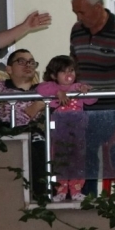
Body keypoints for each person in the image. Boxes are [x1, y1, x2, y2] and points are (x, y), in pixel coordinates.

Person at [69, 0, 115, 196]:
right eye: (76, 12)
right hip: (86, 108)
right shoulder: (76, 31)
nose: (78, 18)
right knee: (86, 158)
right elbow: (74, 65)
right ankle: (86, 200)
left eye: (82, 12)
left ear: (98, 8)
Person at [0, 49, 47, 200]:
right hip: (6, 135)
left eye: (31, 62)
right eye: (21, 61)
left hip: (35, 134)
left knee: (39, 144)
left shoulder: (43, 90)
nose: (28, 65)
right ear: (9, 69)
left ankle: (42, 195)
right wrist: (32, 110)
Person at [37, 55, 96, 202]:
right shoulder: (51, 88)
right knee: (59, 162)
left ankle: (76, 190)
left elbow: (92, 100)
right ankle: (61, 190)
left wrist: (85, 90)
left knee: (78, 162)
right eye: (63, 71)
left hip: (78, 135)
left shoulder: (77, 87)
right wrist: (58, 92)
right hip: (59, 135)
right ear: (53, 75)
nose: (69, 74)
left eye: (71, 70)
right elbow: (40, 89)